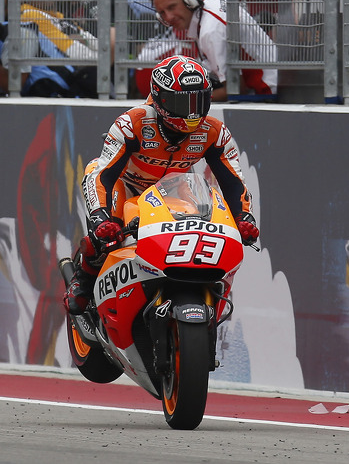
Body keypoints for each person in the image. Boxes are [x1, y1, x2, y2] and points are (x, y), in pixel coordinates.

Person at [63, 55, 260, 315]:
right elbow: (103, 173)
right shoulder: (132, 123)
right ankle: (84, 278)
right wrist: (101, 216)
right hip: (125, 184)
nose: (192, 112)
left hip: (173, 189)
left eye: (198, 101)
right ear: (160, 98)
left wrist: (243, 217)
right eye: (183, 102)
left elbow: (235, 181)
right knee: (106, 233)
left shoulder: (215, 132)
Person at [150, 0, 277, 101]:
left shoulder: (209, 31)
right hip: (269, 83)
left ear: (189, 0)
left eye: (172, 7)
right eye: (162, 13)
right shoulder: (211, 5)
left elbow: (235, 89)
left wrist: (185, 99)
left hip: (266, 90)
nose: (169, 17)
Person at [20, 0, 103, 98]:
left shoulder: (59, 16)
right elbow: (74, 53)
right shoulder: (30, 15)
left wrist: (85, 42)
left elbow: (95, 43)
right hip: (59, 88)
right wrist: (103, 59)